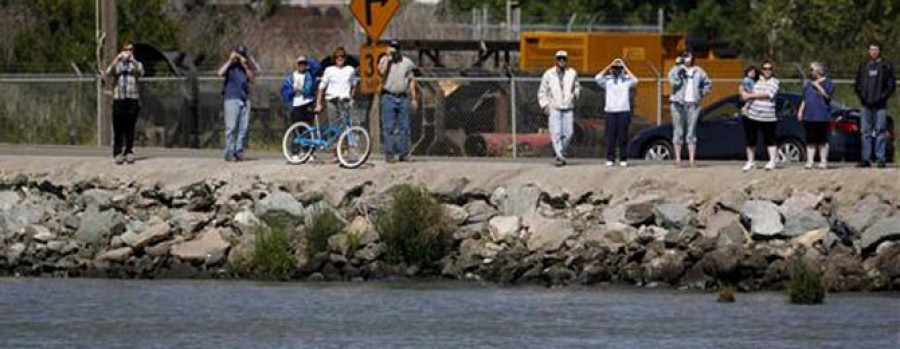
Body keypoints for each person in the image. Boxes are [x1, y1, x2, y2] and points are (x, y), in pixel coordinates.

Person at [854, 42, 896, 168]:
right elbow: (857, 84)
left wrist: (882, 97)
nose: (873, 52)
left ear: (879, 51)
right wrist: (863, 96)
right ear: (868, 51)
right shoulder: (863, 66)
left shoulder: (886, 66)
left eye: (875, 50)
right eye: (871, 50)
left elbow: (891, 85)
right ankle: (865, 159)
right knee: (865, 132)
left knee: (880, 131)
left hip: (880, 105)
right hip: (865, 105)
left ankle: (880, 159)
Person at [668, 51, 712, 168]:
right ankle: (678, 159)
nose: (686, 58)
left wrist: (701, 94)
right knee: (678, 131)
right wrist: (680, 74)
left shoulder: (699, 71)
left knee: (691, 131)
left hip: (693, 104)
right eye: (684, 56)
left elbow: (708, 84)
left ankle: (692, 160)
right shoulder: (675, 69)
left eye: (688, 56)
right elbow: (673, 82)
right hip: (678, 103)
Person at [538, 50, 581, 167]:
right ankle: (560, 156)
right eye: (559, 59)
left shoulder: (572, 73)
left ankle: (560, 151)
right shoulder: (548, 74)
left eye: (563, 59)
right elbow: (542, 91)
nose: (561, 61)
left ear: (566, 60)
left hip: (568, 107)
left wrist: (575, 95)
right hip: (554, 107)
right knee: (556, 133)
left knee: (569, 133)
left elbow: (577, 86)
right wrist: (545, 105)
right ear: (556, 60)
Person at [377, 40, 418, 163]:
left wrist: (414, 98)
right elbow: (382, 73)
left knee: (404, 127)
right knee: (388, 127)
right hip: (388, 96)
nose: (394, 51)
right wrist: (388, 60)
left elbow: (411, 80)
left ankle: (403, 153)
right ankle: (389, 154)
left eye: (395, 49)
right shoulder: (384, 60)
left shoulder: (407, 62)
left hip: (403, 96)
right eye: (391, 48)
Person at [104, 42, 144, 165]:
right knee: (118, 127)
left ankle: (129, 151)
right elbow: (108, 72)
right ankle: (117, 152)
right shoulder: (118, 64)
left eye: (130, 50)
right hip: (119, 98)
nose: (128, 52)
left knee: (130, 126)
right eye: (126, 49)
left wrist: (133, 61)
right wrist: (117, 58)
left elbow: (141, 72)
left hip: (132, 97)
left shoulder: (136, 64)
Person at [595, 58, 639, 167]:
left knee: (623, 136)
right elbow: (597, 78)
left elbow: (636, 80)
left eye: (618, 68)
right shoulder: (608, 81)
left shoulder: (626, 80)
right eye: (615, 68)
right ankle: (610, 158)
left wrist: (625, 67)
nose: (616, 70)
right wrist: (609, 66)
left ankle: (623, 158)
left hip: (623, 111)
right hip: (611, 111)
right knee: (610, 136)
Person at [217, 44, 256, 162]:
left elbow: (252, 79)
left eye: (242, 55)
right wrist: (230, 60)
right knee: (231, 127)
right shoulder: (230, 66)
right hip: (231, 98)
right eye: (238, 54)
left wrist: (245, 65)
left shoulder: (247, 66)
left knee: (243, 127)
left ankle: (238, 150)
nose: (239, 57)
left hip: (244, 98)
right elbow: (219, 73)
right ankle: (229, 151)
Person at [741, 61, 781, 171]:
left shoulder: (775, 82)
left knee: (770, 139)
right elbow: (745, 92)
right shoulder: (756, 81)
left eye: (769, 69)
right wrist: (746, 103)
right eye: (764, 68)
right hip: (753, 114)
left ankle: (772, 160)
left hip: (768, 116)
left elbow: (768, 95)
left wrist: (751, 95)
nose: (767, 71)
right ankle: (750, 161)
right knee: (750, 139)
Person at [797, 62, 836, 169]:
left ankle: (823, 161)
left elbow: (828, 96)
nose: (810, 72)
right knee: (810, 140)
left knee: (822, 140)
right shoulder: (808, 84)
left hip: (822, 116)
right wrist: (801, 111)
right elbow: (804, 99)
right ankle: (810, 161)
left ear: (819, 71)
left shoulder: (828, 82)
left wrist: (818, 86)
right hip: (809, 116)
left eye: (812, 69)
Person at [316, 47, 357, 126]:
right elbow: (321, 87)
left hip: (344, 100)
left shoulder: (350, 70)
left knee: (345, 125)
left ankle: (344, 138)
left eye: (342, 56)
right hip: (332, 100)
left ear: (345, 58)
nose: (340, 58)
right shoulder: (329, 70)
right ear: (334, 58)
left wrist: (352, 97)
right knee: (333, 125)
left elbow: (354, 84)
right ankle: (332, 138)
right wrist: (318, 103)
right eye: (337, 57)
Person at [289, 55, 316, 125]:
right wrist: (292, 91)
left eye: (304, 64)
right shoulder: (291, 77)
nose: (302, 65)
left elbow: (317, 67)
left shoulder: (310, 75)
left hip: (308, 103)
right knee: (297, 127)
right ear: (297, 65)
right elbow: (285, 92)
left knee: (309, 127)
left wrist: (307, 58)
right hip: (296, 105)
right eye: (300, 64)